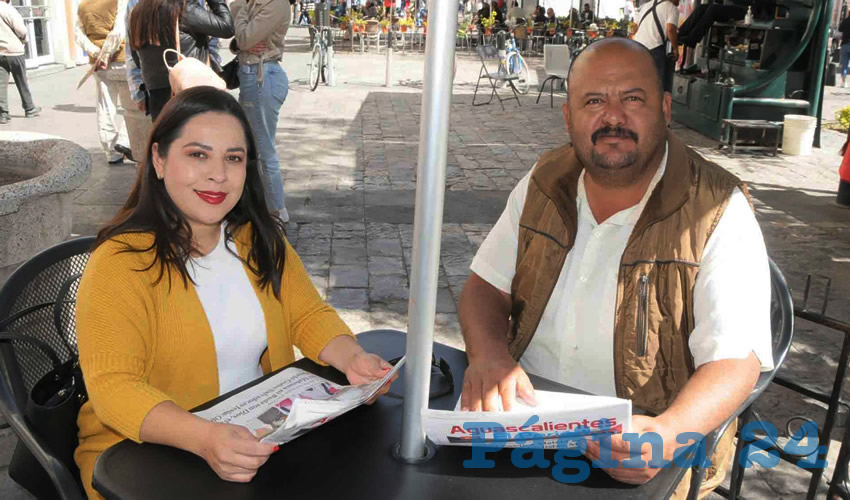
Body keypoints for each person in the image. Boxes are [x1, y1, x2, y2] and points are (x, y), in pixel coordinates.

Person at [458, 38, 771, 498]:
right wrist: (489, 357)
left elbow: (736, 360)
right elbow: (484, 287)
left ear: (665, 108)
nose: (613, 117)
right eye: (593, 101)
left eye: (632, 99)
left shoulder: (717, 209)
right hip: (525, 422)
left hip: (639, 450)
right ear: (568, 117)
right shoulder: (545, 180)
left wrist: (669, 433)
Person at [74, 87, 396, 500]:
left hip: (252, 439)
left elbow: (308, 315)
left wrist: (353, 360)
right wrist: (205, 438)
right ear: (158, 158)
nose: (218, 175)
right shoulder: (119, 264)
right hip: (142, 460)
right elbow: (114, 387)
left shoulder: (257, 239)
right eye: (197, 155)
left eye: (233, 158)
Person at [230, 0, 291, 222]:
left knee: (264, 148)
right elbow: (241, 41)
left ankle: (277, 211)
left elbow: (245, 38)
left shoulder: (276, 4)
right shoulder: (251, 3)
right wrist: (241, 42)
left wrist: (242, 35)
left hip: (261, 77)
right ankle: (254, 204)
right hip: (251, 75)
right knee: (247, 144)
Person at [128, 0, 233, 121]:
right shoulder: (182, 8)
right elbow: (226, 27)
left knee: (168, 138)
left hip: (157, 100)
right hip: (191, 93)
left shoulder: (137, 12)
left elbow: (136, 58)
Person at [75, 0, 134, 164]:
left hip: (99, 64)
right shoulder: (118, 1)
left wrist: (96, 54)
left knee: (105, 106)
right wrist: (106, 54)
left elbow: (78, 35)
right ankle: (124, 140)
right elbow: (119, 30)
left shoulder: (83, 5)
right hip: (120, 59)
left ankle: (111, 152)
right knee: (134, 104)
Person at [0, 0, 40, 124]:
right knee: (22, 81)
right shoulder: (7, 9)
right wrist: (23, 39)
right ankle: (29, 109)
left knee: (1, 85)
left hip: (0, 52)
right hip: (14, 51)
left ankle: (3, 114)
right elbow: (21, 30)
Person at [633, 0, 678, 91]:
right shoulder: (671, 8)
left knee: (637, 80)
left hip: (637, 47)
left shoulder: (646, 6)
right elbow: (670, 30)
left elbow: (635, 27)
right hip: (654, 49)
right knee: (656, 84)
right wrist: (675, 48)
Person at [841, 13, 850, 88]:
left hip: (845, 44)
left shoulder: (845, 21)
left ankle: (844, 82)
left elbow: (840, 29)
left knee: (844, 65)